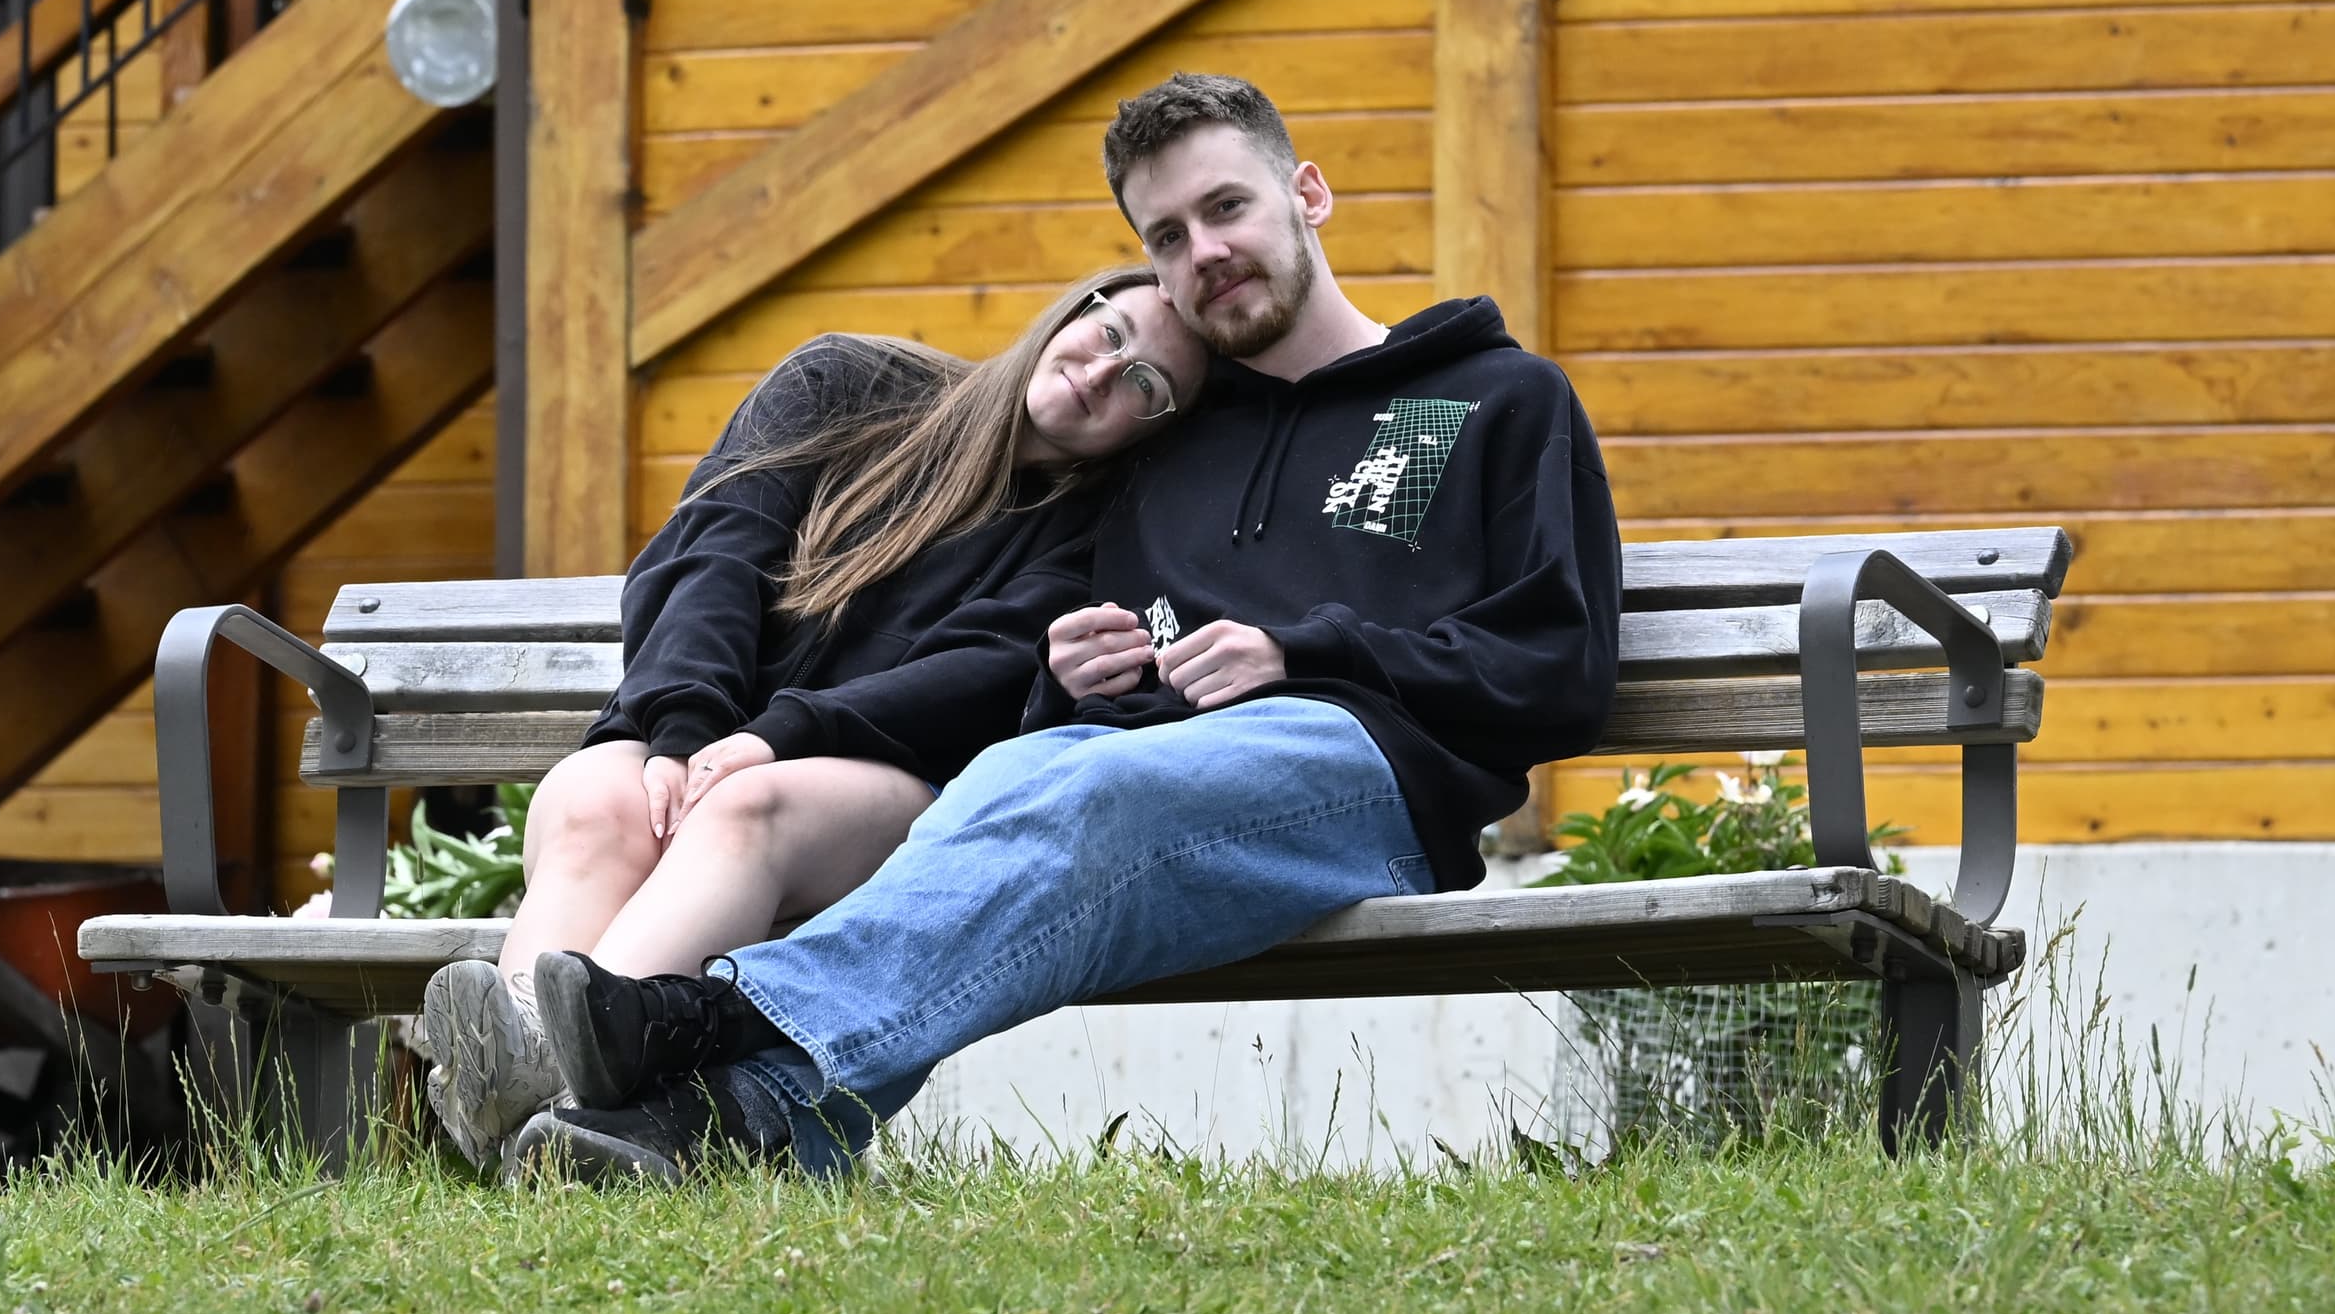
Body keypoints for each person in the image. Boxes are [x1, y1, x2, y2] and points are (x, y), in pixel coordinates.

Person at [504, 72, 1625, 1180]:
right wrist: (1067, 679)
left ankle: (702, 1016)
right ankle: (730, 1120)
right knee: (1018, 783)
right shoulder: (1167, 450)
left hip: (1359, 771)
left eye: (1227, 207)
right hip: (1126, 775)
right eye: (1168, 236)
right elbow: (1030, 673)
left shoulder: (1489, 398)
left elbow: (1556, 666)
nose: (1205, 251)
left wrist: (1304, 651)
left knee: (1093, 790)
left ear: (1309, 195)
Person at [408, 267, 1213, 1164]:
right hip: (707, 727)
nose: (1102, 374)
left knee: (745, 806)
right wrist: (684, 729)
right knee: (596, 796)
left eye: (1146, 385)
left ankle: (549, 1102)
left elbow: (973, 677)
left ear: (1160, 428)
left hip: (890, 782)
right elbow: (713, 551)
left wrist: (776, 737)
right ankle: (524, 1063)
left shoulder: (1101, 533)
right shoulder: (842, 384)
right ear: (1075, 308)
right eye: (1111, 333)